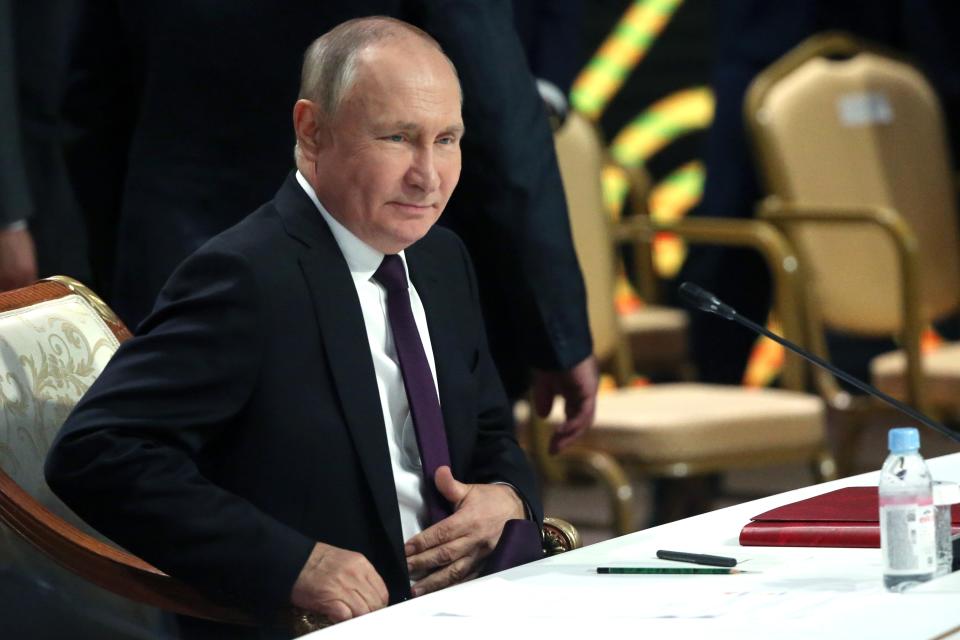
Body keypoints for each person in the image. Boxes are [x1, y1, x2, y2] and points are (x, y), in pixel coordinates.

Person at [46, 17, 541, 637]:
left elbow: (489, 427)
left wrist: (507, 498)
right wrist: (293, 564)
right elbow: (96, 453)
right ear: (312, 131)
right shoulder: (245, 278)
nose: (429, 175)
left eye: (446, 139)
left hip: (472, 607)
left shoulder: (442, 259)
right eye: (397, 138)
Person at [59, 1, 597, 453]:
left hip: (170, 239)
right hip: (373, 255)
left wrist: (105, 272)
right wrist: (556, 329)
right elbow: (501, 117)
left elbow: (89, 109)